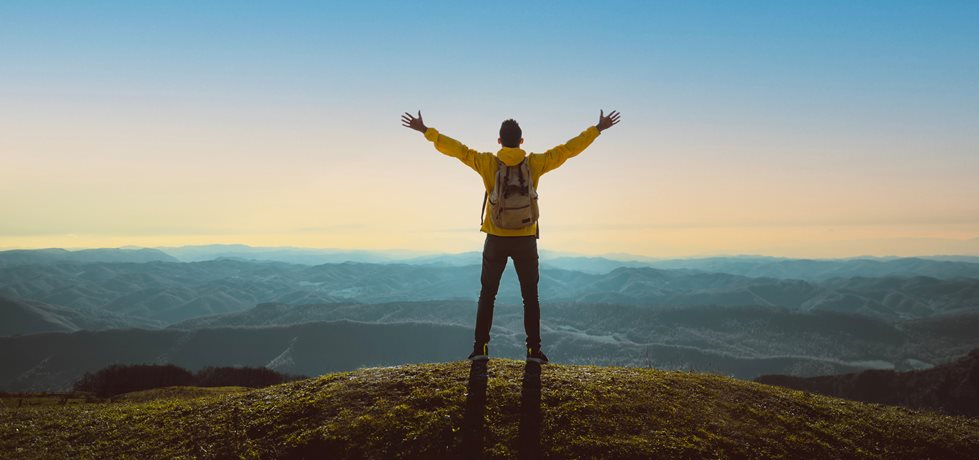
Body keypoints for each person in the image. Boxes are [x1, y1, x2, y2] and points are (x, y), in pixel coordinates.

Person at [401, 110, 621, 364]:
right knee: (530, 296)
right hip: (526, 239)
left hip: (495, 237)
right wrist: (597, 129)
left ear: (499, 141)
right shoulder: (535, 163)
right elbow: (567, 150)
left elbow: (458, 150)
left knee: (487, 294)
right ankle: (533, 351)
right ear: (522, 141)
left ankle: (480, 349)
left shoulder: (487, 162)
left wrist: (426, 131)